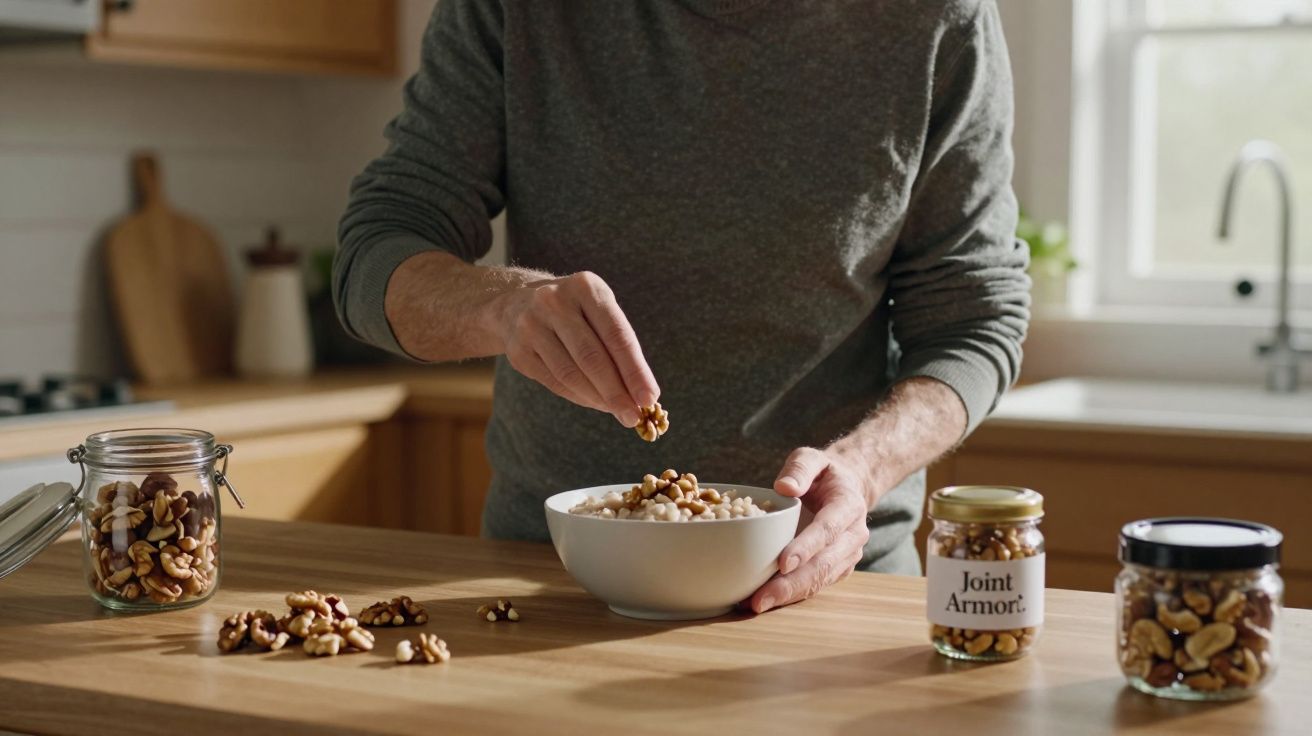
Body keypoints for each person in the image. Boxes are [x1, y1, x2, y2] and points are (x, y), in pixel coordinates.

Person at [334, 0, 1029, 614]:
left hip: (828, 577)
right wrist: (504, 306)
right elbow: (376, 251)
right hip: (553, 582)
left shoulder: (936, 16)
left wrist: (866, 466)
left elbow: (974, 318)